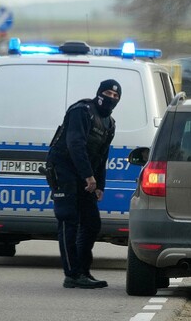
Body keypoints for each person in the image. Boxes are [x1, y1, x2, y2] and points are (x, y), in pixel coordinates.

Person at [46, 79, 121, 289]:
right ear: (99, 93)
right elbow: (75, 144)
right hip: (63, 169)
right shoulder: (82, 111)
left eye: (116, 96)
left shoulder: (110, 123)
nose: (111, 98)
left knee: (92, 223)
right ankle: (72, 275)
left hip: (84, 174)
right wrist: (89, 176)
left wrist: (100, 185)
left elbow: (101, 155)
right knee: (68, 219)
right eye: (108, 93)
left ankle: (83, 271)